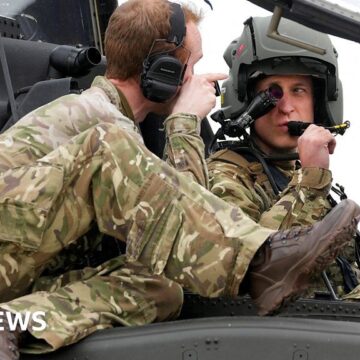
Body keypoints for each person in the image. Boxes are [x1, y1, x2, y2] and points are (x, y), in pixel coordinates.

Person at [0, 2, 358, 358]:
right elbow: (191, 241)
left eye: (299, 91)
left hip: (17, 269)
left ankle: (13, 322)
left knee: (160, 288)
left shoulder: (121, 127)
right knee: (111, 151)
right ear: (165, 72)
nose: (200, 81)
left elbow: (175, 253)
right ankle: (259, 262)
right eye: (194, 66)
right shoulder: (97, 119)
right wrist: (184, 120)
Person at [207, 16, 359, 298]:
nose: (286, 107)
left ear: (319, 102)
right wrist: (311, 180)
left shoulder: (312, 181)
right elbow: (256, 270)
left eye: (298, 90)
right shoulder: (225, 175)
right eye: (272, 93)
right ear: (246, 102)